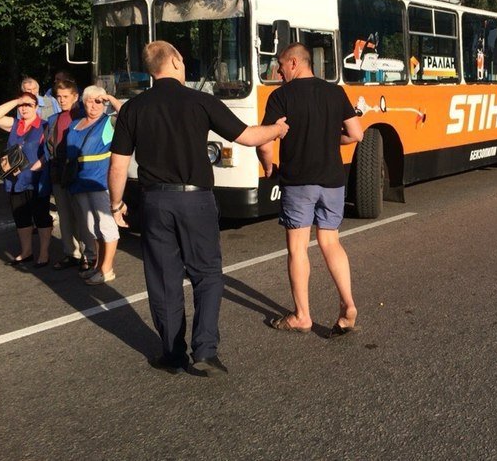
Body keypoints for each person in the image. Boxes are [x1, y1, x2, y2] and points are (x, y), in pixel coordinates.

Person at [108, 40, 289, 377]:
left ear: (151, 69)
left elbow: (117, 166)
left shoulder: (133, 108)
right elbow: (248, 137)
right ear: (175, 61)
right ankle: (204, 349)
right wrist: (277, 130)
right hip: (195, 199)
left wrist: (116, 204)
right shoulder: (201, 100)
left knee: (163, 280)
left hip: (154, 201)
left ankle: (172, 353)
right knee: (206, 274)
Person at [257, 42, 363, 338]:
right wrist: (332, 139)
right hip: (332, 180)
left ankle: (302, 316)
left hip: (298, 182)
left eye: (280, 65)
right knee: (330, 243)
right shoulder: (335, 91)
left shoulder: (280, 97)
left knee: (297, 248)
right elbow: (356, 133)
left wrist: (268, 168)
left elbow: (265, 142)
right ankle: (348, 304)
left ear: (294, 63)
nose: (277, 71)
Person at [66, 86, 122, 285]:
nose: (95, 105)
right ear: (84, 101)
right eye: (91, 100)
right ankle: (98, 265)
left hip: (100, 181)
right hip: (79, 181)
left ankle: (107, 269)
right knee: (91, 227)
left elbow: (126, 116)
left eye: (99, 101)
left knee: (106, 226)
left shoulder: (109, 122)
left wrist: (110, 98)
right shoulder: (75, 124)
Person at [0, 91, 53, 266]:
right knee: (21, 216)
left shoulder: (45, 125)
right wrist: (17, 100)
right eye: (21, 106)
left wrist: (37, 165)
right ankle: (26, 252)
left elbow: (49, 150)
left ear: (36, 107)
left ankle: (44, 253)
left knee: (41, 216)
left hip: (35, 178)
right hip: (15, 180)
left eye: (29, 105)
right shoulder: (15, 124)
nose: (24, 108)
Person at [45, 79, 95, 271]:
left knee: (82, 215)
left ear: (76, 96)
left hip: (78, 173)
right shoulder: (53, 119)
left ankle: (89, 254)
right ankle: (71, 253)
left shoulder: (84, 116)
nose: (61, 100)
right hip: (59, 173)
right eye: (58, 96)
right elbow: (49, 147)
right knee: (65, 216)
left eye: (66, 96)